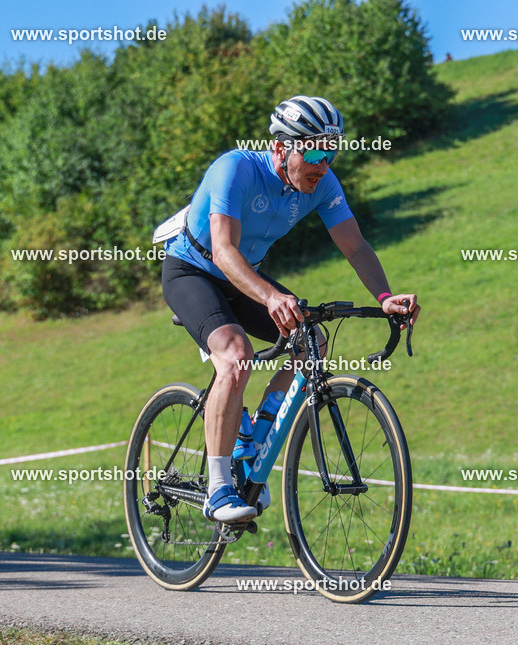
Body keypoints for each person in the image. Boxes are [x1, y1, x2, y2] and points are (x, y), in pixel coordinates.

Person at [161, 95, 421, 524]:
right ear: (281, 148)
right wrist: (270, 297)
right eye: (314, 152)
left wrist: (384, 297)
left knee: (311, 340)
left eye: (331, 152)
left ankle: (254, 441)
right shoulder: (235, 169)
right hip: (193, 270)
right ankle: (218, 488)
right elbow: (223, 251)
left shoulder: (323, 184)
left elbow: (355, 247)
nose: (324, 164)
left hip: (244, 275)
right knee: (236, 356)